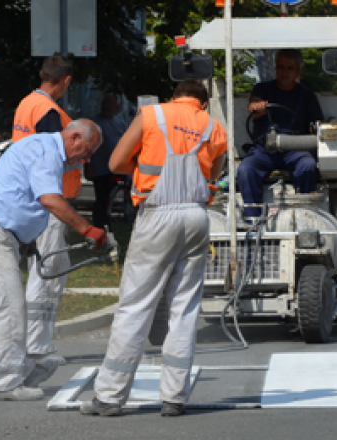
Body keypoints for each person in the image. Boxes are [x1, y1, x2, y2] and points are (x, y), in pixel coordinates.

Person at [80, 79, 227, 417]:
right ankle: (175, 397)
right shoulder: (214, 128)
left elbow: (116, 163)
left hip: (157, 213)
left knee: (136, 304)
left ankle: (109, 397)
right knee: (184, 306)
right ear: (202, 104)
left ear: (174, 97)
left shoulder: (151, 115)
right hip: (195, 215)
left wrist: (146, 168)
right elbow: (212, 181)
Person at [0, 120, 106, 401]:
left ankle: (24, 370)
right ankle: (6, 383)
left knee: (11, 306)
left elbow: (24, 195)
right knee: (8, 308)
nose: (86, 159)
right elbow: (50, 199)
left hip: (0, 235)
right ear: (74, 137)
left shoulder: (42, 147)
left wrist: (27, 237)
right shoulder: (47, 151)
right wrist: (88, 230)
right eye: (87, 151)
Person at [11, 53, 79, 366]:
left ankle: (38, 340)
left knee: (51, 266)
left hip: (35, 197)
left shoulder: (27, 103)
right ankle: (36, 344)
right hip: (49, 200)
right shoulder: (49, 112)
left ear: (42, 74)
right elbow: (52, 155)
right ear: (66, 81)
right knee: (47, 271)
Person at [236, 49, 323, 222]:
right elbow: (253, 107)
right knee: (246, 169)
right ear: (276, 69)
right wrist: (257, 107)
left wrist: (317, 129)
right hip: (264, 150)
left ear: (298, 72)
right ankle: (253, 221)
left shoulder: (307, 96)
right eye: (281, 67)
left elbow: (318, 124)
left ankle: (304, 216)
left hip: (295, 149)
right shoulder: (263, 89)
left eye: (290, 68)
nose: (284, 72)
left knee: (308, 165)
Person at [86, 92, 129, 230]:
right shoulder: (93, 122)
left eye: (110, 104)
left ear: (116, 107)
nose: (107, 106)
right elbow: (86, 146)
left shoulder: (120, 124)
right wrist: (87, 166)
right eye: (105, 103)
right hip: (100, 169)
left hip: (117, 167)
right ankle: (100, 227)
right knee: (102, 200)